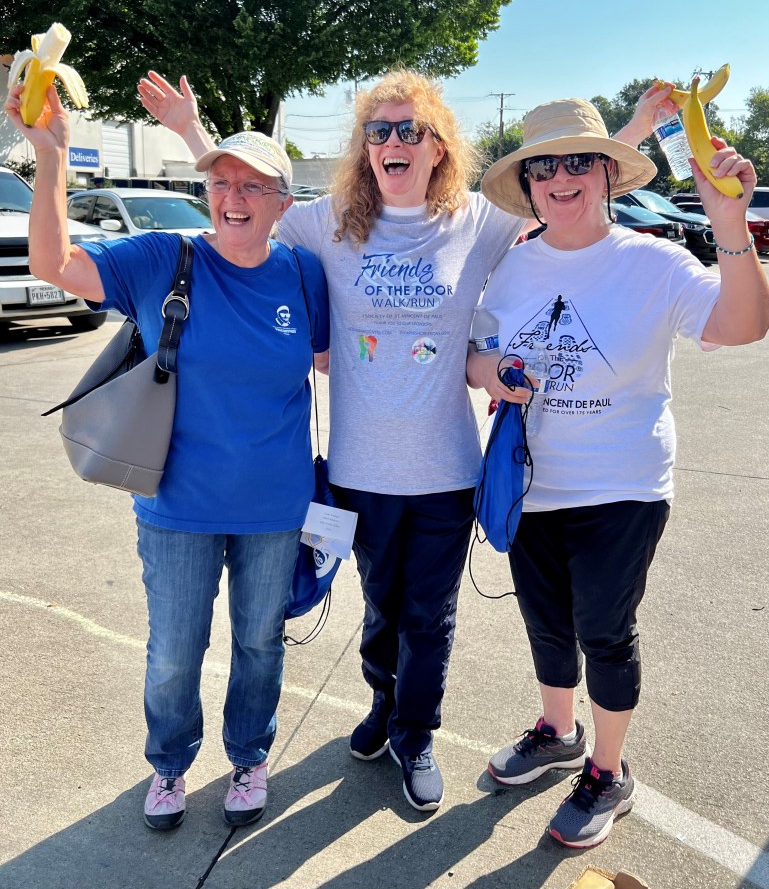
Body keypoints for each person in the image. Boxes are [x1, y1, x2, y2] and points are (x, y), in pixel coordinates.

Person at [138, 70, 671, 814]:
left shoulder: (476, 222)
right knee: (381, 609)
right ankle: (383, 706)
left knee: (430, 615)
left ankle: (415, 733)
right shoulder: (325, 221)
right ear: (364, 149)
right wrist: (192, 133)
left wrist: (632, 131)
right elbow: (246, 201)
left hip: (447, 471)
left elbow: (564, 181)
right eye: (378, 131)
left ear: (436, 146)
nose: (393, 142)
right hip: (359, 469)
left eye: (408, 130)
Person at [5, 84, 329, 831]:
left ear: (283, 203)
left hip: (275, 508)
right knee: (176, 653)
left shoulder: (303, 274)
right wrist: (50, 156)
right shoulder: (163, 258)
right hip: (177, 504)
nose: (233, 197)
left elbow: (327, 361)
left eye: (252, 185)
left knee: (259, 644)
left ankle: (249, 757)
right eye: (219, 182)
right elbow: (54, 264)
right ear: (203, 190)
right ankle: (170, 766)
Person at [467, 96, 769, 848]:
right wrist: (490, 371)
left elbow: (740, 325)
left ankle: (607, 770)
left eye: (578, 162)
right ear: (528, 183)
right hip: (532, 483)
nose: (561, 178)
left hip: (623, 486)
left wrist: (728, 227)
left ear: (606, 174)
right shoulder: (510, 267)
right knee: (543, 623)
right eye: (543, 167)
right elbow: (476, 352)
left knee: (603, 629)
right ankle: (556, 729)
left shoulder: (653, 260)